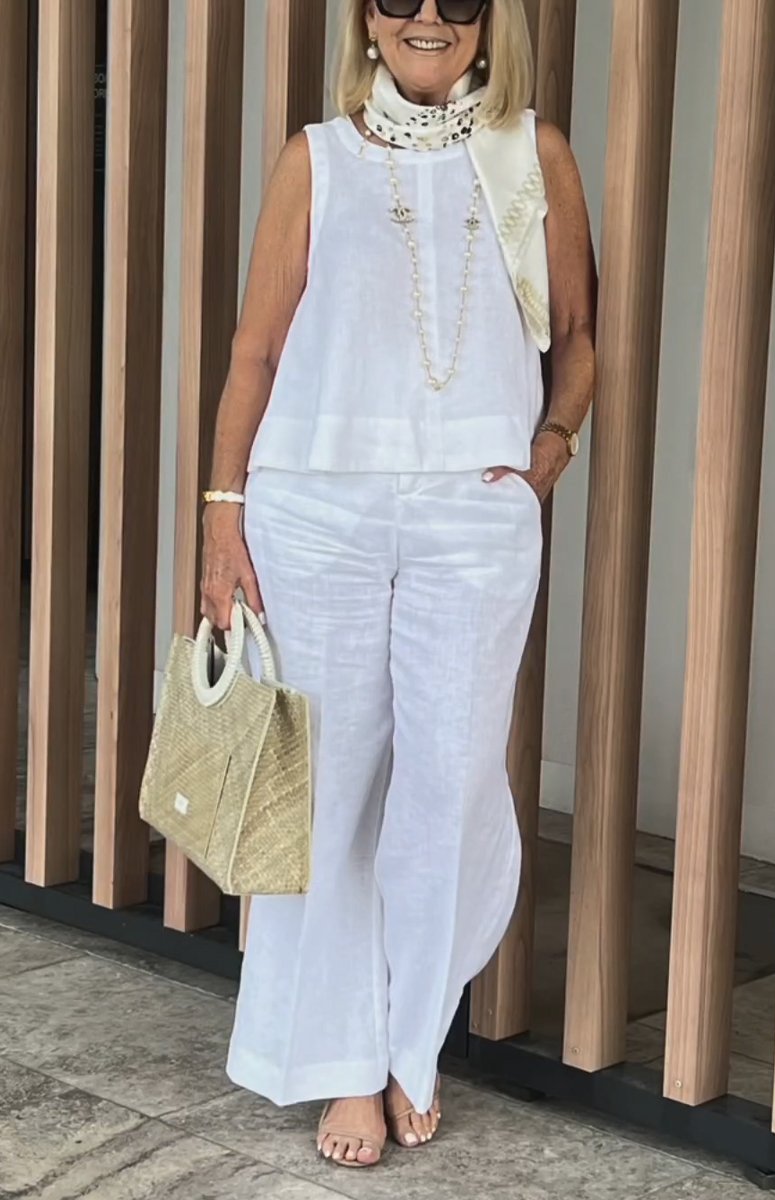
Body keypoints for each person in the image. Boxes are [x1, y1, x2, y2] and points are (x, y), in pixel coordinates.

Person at [201, 0, 595, 1170]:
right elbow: (256, 350)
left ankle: (407, 1035)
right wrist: (220, 517)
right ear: (366, 21)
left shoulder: (533, 153)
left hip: (471, 514)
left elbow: (578, 332)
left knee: (449, 783)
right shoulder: (315, 158)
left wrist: (545, 453)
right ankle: (346, 1062)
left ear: (488, 22)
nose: (427, 17)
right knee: (325, 792)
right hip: (313, 506)